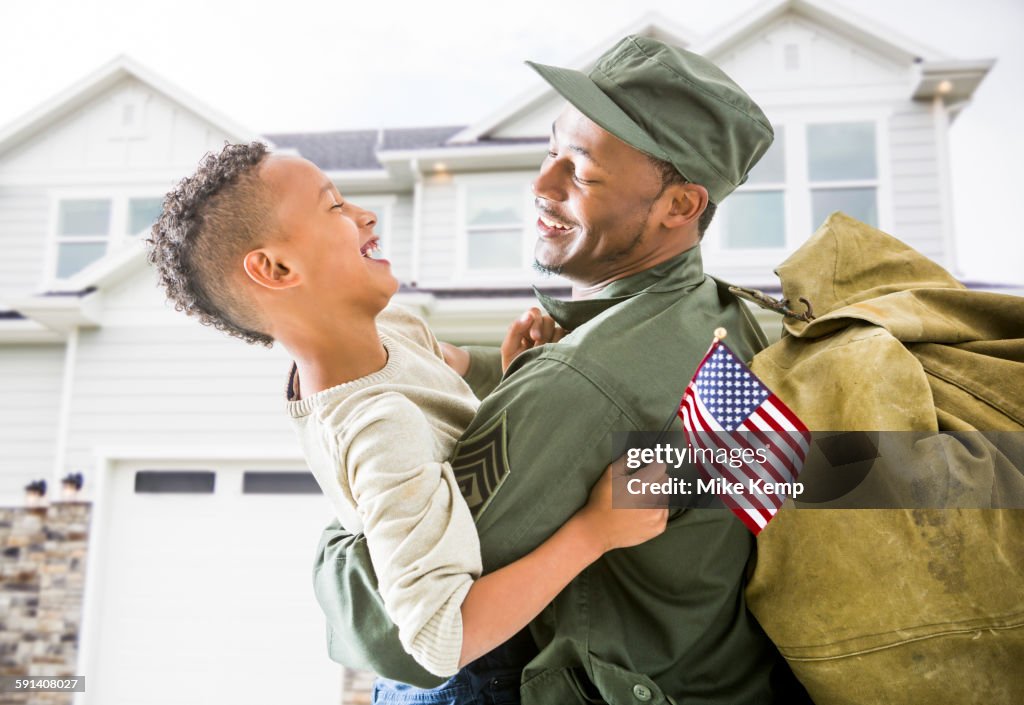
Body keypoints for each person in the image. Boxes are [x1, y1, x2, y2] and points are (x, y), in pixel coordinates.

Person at [314, 35, 809, 704]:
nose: (542, 185)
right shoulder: (727, 322)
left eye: (580, 170)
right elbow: (662, 457)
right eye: (551, 151)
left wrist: (348, 489)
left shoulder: (585, 382)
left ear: (680, 206)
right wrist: (509, 378)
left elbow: (394, 632)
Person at [145, 142, 669, 700]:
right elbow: (441, 639)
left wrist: (515, 370)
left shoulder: (386, 329)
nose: (365, 214)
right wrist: (594, 534)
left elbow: (455, 371)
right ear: (275, 268)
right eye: (333, 208)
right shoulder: (379, 427)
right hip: (467, 683)